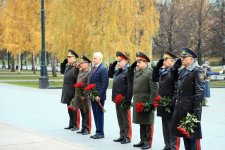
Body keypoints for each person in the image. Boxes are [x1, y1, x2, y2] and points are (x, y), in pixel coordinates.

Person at [171, 48, 205, 150]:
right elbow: (173, 79)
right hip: (182, 108)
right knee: (185, 135)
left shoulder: (198, 70)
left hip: (191, 109)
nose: (182, 59)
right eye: (181, 57)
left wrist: (196, 112)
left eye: (184, 57)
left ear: (191, 59)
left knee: (192, 138)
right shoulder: (183, 70)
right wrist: (174, 67)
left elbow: (200, 92)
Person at [152, 51, 180, 150]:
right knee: (165, 126)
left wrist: (173, 102)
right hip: (163, 102)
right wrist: (158, 66)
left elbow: (177, 89)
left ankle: (173, 146)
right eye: (163, 60)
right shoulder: (164, 71)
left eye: (165, 60)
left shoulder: (175, 72)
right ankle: (167, 145)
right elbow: (154, 78)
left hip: (171, 103)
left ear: (172, 61)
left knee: (172, 126)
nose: (163, 61)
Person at [132, 52, 158, 149]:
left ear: (145, 62)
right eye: (137, 61)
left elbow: (154, 89)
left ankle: (148, 141)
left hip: (147, 102)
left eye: (139, 62)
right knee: (141, 122)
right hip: (139, 101)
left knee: (147, 122)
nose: (137, 64)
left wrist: (151, 103)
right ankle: (142, 140)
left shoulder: (150, 72)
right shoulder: (138, 72)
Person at [108, 51, 132, 144]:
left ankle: (127, 136)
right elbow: (109, 75)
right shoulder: (118, 71)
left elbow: (130, 87)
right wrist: (113, 65)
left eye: (119, 61)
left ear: (125, 61)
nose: (118, 63)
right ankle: (122, 135)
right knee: (120, 118)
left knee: (126, 119)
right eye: (117, 61)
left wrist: (128, 100)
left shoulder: (128, 71)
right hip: (117, 99)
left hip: (124, 99)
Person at [89, 52, 109, 139]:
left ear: (100, 59)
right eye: (93, 58)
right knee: (95, 113)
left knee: (99, 114)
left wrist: (99, 96)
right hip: (93, 95)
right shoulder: (93, 68)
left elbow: (105, 84)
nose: (93, 60)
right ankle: (97, 131)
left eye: (95, 58)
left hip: (99, 96)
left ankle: (101, 133)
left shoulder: (103, 69)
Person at [61, 49, 80, 131]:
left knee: (74, 109)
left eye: (69, 57)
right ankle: (71, 124)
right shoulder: (68, 66)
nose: (68, 58)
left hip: (73, 91)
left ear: (74, 58)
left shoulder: (76, 66)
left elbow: (77, 79)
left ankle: (76, 125)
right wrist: (64, 62)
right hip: (67, 90)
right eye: (67, 57)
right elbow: (62, 72)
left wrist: (77, 92)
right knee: (69, 108)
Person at [74, 55, 92, 135]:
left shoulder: (89, 72)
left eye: (82, 63)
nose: (80, 64)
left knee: (86, 112)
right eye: (80, 62)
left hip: (85, 96)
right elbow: (75, 75)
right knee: (82, 111)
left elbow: (88, 85)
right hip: (79, 95)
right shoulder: (81, 71)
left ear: (87, 63)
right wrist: (76, 67)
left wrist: (84, 95)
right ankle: (83, 127)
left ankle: (87, 129)